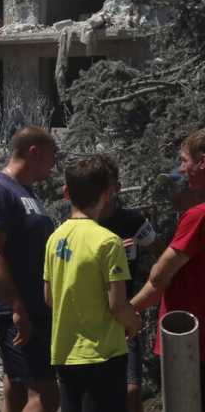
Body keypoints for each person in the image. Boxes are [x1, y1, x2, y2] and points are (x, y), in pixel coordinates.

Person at [0, 126, 59, 412]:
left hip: (35, 307)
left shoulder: (27, 193)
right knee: (46, 396)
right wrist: (17, 305)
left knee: (18, 385)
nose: (54, 164)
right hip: (17, 310)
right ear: (33, 152)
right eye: (51, 156)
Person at [44, 155, 140, 412]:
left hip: (64, 352)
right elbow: (117, 305)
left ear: (66, 192)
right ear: (107, 194)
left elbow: (49, 298)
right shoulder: (108, 242)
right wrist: (134, 322)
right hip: (103, 354)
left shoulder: (54, 239)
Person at [130, 129, 205, 402]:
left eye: (184, 160)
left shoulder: (198, 216)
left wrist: (125, 312)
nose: (182, 169)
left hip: (189, 342)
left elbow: (159, 278)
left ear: (202, 162)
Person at [97, 156, 160, 412]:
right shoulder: (86, 223)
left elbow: (161, 254)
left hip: (125, 313)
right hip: (94, 316)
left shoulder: (132, 221)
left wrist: (147, 296)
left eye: (108, 186)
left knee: (131, 389)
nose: (104, 193)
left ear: (117, 188)